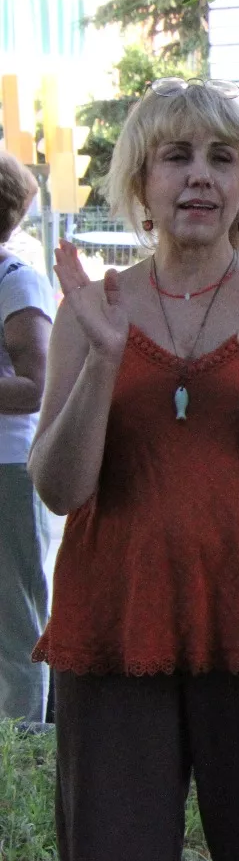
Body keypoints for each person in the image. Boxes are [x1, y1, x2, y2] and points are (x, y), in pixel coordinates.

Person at [29, 78, 239, 861]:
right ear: (141, 182)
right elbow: (59, 488)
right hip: (116, 626)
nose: (200, 176)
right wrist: (105, 359)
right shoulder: (90, 310)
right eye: (176, 157)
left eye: (222, 158)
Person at [0, 153, 52, 724]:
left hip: (7, 470)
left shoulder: (17, 280)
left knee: (15, 623)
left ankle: (24, 752)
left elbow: (36, 386)